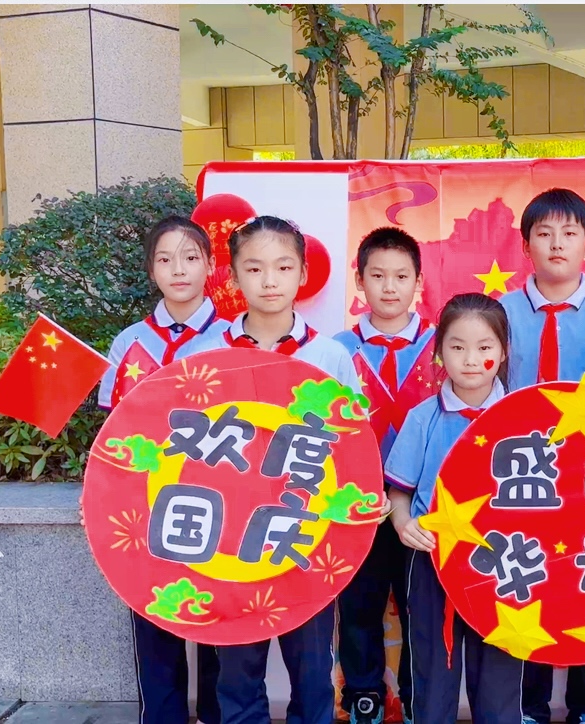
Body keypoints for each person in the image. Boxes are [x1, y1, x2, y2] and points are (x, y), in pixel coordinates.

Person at [210, 215, 362, 724]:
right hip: (231, 537)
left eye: (283, 267)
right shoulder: (206, 354)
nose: (269, 280)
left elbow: (352, 445)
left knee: (313, 668)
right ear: (234, 276)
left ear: (303, 274)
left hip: (305, 533)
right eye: (254, 268)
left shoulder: (330, 356)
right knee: (236, 670)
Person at [95, 215, 227, 724]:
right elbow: (112, 436)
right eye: (166, 259)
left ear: (210, 266)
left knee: (219, 621)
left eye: (191, 258)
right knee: (154, 618)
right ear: (151, 270)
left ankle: (217, 714)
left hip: (218, 504)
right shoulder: (129, 342)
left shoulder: (233, 340)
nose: (179, 270)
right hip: (145, 508)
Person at [499, 188, 585, 724]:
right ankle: (528, 704)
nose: (557, 244)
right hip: (520, 473)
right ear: (526, 245)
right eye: (544, 234)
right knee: (527, 580)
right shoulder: (499, 313)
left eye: (570, 234)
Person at [386, 293, 524, 724]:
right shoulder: (423, 417)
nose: (470, 360)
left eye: (484, 347)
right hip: (433, 558)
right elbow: (399, 491)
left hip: (505, 561)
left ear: (503, 351)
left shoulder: (524, 416)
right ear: (440, 351)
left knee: (499, 674)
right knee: (433, 672)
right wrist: (403, 522)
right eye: (457, 346)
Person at [332, 227, 437, 724]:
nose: (389, 287)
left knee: (421, 609)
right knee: (358, 607)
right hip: (356, 506)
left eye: (401, 276)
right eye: (377, 276)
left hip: (422, 509)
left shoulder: (444, 345)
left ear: (419, 282)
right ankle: (363, 699)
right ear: (360, 281)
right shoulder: (336, 349)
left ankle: (418, 699)